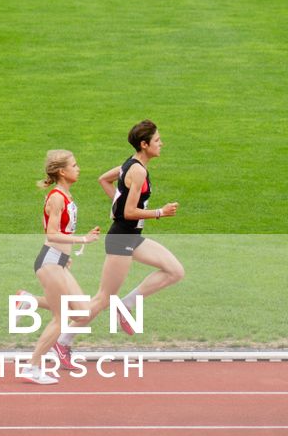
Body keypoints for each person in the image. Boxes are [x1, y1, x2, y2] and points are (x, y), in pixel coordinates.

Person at [84, 120, 183, 340]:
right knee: (102, 298)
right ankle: (62, 340)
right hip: (121, 239)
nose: (162, 143)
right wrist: (160, 212)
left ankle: (125, 305)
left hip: (131, 237)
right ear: (144, 144)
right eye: (157, 140)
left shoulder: (130, 164)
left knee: (175, 271)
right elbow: (129, 212)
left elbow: (104, 180)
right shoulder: (137, 171)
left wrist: (117, 205)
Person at [21, 149, 102, 385]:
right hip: (49, 261)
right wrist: (82, 240)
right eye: (74, 165)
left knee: (83, 311)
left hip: (58, 261)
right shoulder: (57, 196)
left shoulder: (66, 194)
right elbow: (52, 233)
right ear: (62, 172)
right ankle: (33, 366)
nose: (79, 169)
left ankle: (29, 301)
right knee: (62, 316)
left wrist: (67, 254)